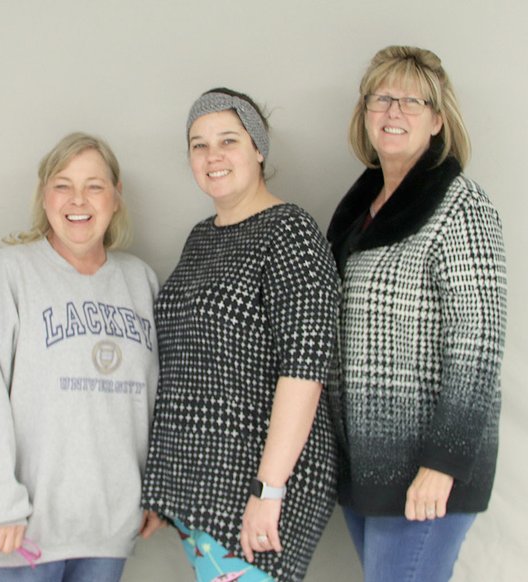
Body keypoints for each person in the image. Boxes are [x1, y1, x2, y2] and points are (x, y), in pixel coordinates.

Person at [141, 88, 340, 582]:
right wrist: (164, 488)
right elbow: (190, 363)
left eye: (228, 140)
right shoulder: (201, 236)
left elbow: (305, 371)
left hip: (258, 490)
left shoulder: (290, 231)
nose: (213, 156)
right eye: (198, 144)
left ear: (258, 148)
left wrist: (268, 491)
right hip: (200, 487)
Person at [326, 45, 508, 582]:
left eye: (412, 100)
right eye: (382, 98)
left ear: (437, 119)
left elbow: (478, 348)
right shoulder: (359, 211)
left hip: (426, 470)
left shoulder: (461, 207)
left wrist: (443, 463)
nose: (394, 111)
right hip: (367, 465)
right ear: (365, 113)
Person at [0, 132, 159, 582]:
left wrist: (157, 494)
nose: (78, 199)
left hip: (108, 529)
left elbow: (163, 400)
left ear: (116, 198)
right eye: (63, 184)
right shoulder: (9, 274)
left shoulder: (140, 282)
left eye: (95, 186)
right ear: (44, 196)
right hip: (20, 534)